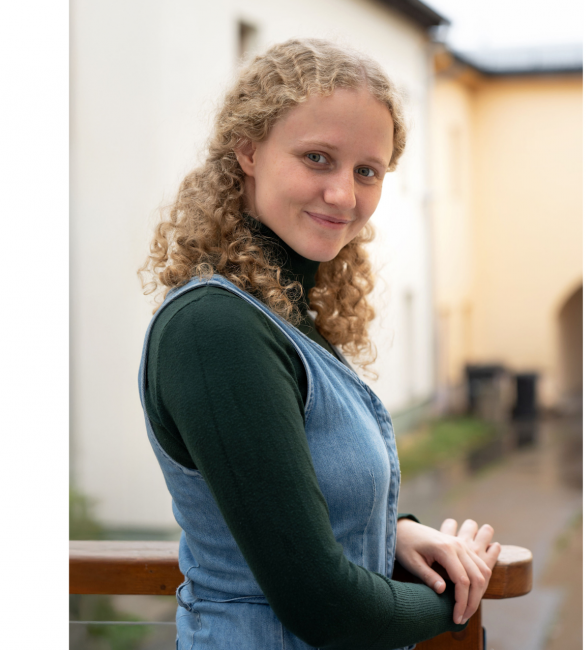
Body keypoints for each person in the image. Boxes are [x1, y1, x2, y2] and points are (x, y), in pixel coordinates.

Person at [138, 38, 500, 650]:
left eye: (367, 171)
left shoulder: (279, 314)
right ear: (248, 150)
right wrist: (456, 599)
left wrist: (393, 533)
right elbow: (321, 602)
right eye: (317, 158)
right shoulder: (214, 329)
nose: (344, 195)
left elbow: (283, 509)